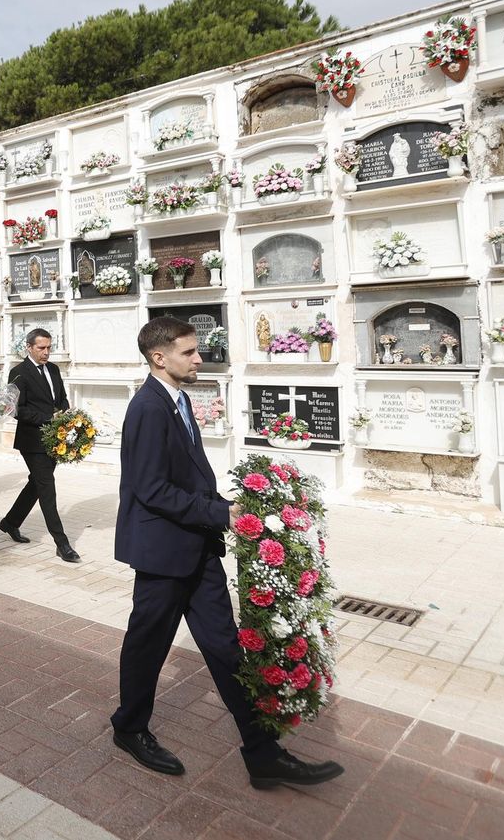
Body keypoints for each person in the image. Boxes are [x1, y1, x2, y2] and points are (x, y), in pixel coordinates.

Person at [112, 317, 344, 790]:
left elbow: (187, 479)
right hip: (163, 553)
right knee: (147, 647)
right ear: (160, 358)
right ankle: (130, 728)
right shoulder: (148, 409)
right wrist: (222, 515)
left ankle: (262, 753)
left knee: (226, 649)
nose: (199, 358)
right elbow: (152, 489)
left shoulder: (177, 400)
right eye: (189, 352)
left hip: (195, 547)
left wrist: (228, 507)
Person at [0, 328, 81, 564]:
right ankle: (62, 543)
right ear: (29, 347)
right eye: (41, 348)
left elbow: (61, 399)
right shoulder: (18, 373)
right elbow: (15, 410)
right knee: (47, 488)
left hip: (54, 439)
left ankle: (11, 522)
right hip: (32, 441)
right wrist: (48, 418)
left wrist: (66, 417)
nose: (46, 352)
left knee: (36, 484)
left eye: (48, 348)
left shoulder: (54, 369)